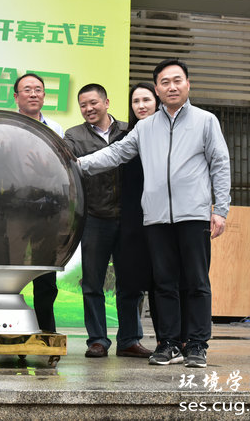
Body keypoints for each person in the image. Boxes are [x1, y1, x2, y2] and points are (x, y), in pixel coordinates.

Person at [77, 59, 231, 368]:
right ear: (158, 89)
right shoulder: (145, 128)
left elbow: (220, 163)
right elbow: (115, 153)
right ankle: (169, 343)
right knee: (164, 283)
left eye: (177, 80)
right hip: (157, 218)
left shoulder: (206, 121)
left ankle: (197, 344)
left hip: (194, 216)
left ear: (187, 84)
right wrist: (77, 165)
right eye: (165, 82)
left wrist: (221, 209)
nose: (172, 87)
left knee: (196, 282)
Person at [64, 84, 148, 358]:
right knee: (92, 283)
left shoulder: (129, 130)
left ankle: (129, 340)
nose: (88, 109)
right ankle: (97, 340)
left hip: (129, 218)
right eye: (83, 105)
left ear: (106, 102)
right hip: (95, 217)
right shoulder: (73, 135)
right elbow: (69, 168)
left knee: (130, 283)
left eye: (93, 103)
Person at [112, 82, 161, 357]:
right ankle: (128, 340)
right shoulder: (125, 138)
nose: (141, 106)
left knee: (162, 282)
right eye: (135, 101)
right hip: (130, 220)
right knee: (128, 283)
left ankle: (168, 340)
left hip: (162, 220)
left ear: (157, 102)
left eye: (146, 100)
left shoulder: (169, 135)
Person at [13, 73, 63, 332]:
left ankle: (46, 330)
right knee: (11, 269)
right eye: (27, 89)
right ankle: (9, 328)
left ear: (44, 95)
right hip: (13, 209)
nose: (33, 94)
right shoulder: (6, 127)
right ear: (16, 96)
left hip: (46, 210)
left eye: (38, 89)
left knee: (45, 274)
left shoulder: (56, 129)